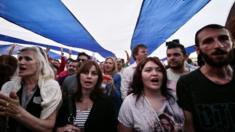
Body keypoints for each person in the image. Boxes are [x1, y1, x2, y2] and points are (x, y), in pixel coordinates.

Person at [177, 24, 235, 132]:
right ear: (198, 50)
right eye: (208, 41)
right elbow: (189, 125)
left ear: (233, 43)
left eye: (224, 39)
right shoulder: (186, 83)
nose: (218, 45)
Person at [0, 46, 62, 132]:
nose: (21, 62)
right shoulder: (9, 86)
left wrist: (19, 112)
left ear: (40, 63)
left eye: (28, 59)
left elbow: (47, 127)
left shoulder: (50, 87)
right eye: (20, 58)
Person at [118, 57, 184, 132]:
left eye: (159, 70)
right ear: (140, 76)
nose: (155, 73)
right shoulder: (129, 103)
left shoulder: (175, 96)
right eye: (148, 70)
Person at [55, 60, 118, 132]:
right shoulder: (67, 100)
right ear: (79, 76)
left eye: (94, 74)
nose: (89, 76)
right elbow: (55, 127)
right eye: (85, 72)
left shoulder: (107, 103)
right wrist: (62, 129)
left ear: (98, 79)